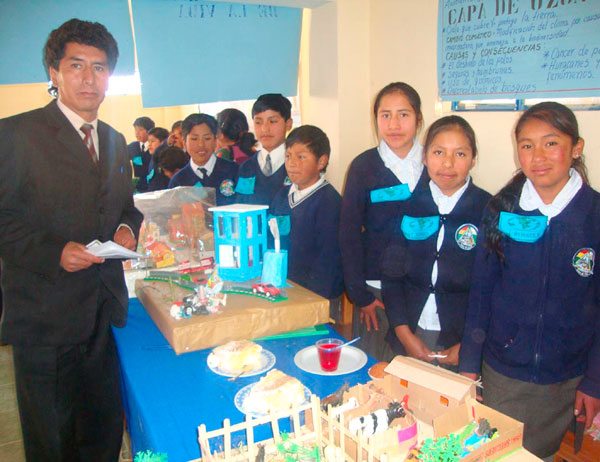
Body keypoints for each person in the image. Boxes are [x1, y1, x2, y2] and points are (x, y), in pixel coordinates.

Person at [0, 18, 143, 461]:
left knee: (102, 431)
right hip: (45, 319)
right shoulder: (15, 135)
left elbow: (126, 207)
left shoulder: (115, 140)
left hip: (102, 313)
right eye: (76, 65)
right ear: (54, 73)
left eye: (99, 68)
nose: (88, 78)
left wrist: (127, 229)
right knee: (53, 440)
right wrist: (54, 252)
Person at [459, 102, 600, 459]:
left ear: (576, 148)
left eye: (551, 143)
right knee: (494, 451)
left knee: (540, 453)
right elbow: (481, 293)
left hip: (566, 376)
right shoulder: (501, 209)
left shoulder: (594, 214)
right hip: (504, 371)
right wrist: (468, 366)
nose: (538, 156)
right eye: (526, 145)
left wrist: (595, 380)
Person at [381, 116, 490, 370]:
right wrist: (404, 334)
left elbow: (492, 289)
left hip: (461, 340)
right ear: (425, 156)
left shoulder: (488, 209)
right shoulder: (409, 206)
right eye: (439, 152)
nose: (448, 163)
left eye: (460, 154)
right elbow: (391, 276)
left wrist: (469, 345)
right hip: (408, 333)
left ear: (473, 159)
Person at [340, 82, 425, 361]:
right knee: (374, 366)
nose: (394, 125)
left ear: (418, 119)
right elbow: (349, 233)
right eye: (385, 115)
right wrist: (359, 294)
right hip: (375, 291)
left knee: (417, 369)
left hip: (423, 289)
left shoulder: (435, 163)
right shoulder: (363, 166)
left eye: (403, 115)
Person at [269, 125, 344, 320]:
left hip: (315, 296)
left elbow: (328, 259)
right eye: (288, 156)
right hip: (283, 288)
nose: (292, 163)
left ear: (321, 161)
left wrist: (312, 301)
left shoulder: (329, 202)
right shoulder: (282, 195)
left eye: (301, 157)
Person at [235, 93, 293, 205]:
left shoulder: (298, 165)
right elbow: (240, 206)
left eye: (272, 121)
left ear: (288, 124)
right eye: (258, 122)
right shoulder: (246, 168)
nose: (265, 129)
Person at [169, 113, 238, 205]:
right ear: (184, 142)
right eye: (194, 139)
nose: (201, 144)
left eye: (207, 138)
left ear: (215, 140)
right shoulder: (178, 181)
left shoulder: (234, 171)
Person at [128, 116, 155, 192]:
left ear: (149, 131)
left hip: (152, 187)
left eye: (140, 130)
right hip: (138, 188)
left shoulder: (154, 147)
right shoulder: (132, 147)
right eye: (135, 130)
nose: (137, 133)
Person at [145, 127, 171, 192]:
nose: (149, 144)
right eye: (148, 141)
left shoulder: (166, 159)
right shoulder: (153, 158)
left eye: (152, 141)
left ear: (162, 142)